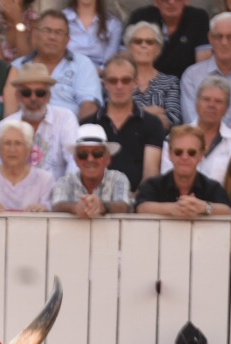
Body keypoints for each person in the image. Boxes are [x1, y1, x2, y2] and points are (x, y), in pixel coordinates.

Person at [14, 9, 102, 121]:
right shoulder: (18, 66)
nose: (52, 37)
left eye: (59, 32)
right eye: (47, 30)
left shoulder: (82, 64)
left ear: (68, 39)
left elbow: (89, 106)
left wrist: (76, 133)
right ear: (36, 34)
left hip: (70, 131)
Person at [97, 54, 165, 187]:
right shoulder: (91, 123)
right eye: (113, 80)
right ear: (104, 83)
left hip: (136, 202)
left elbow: (150, 174)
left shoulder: (152, 124)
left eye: (126, 80)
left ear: (135, 82)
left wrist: (132, 201)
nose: (119, 86)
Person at [0, 63, 76, 178]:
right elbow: (1, 171)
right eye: (27, 93)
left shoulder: (65, 118)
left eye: (40, 93)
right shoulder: (4, 127)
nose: (33, 98)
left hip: (57, 193)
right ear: (18, 96)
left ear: (49, 96)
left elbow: (74, 160)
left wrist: (65, 194)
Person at [137, 122, 231, 214]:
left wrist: (203, 207)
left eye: (191, 153)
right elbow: (141, 207)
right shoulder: (153, 185)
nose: (184, 157)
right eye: (178, 152)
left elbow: (228, 210)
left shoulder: (212, 187)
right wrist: (173, 208)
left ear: (201, 155)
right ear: (170, 155)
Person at [164, 74, 231, 181]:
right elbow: (166, 177)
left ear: (227, 108)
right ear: (196, 104)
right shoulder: (174, 138)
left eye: (218, 101)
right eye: (206, 99)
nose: (211, 105)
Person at [52, 122, 133, 214]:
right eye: (83, 154)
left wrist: (102, 206)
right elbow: (56, 205)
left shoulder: (118, 178)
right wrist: (75, 208)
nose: (90, 159)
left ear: (108, 159)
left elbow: (123, 206)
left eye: (97, 153)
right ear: (76, 160)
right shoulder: (65, 181)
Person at [0, 116, 53, 209]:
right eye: (7, 143)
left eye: (18, 143)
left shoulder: (44, 179)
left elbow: (50, 209)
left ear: (29, 149)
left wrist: (42, 209)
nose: (12, 149)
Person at [123, 0, 212, 78]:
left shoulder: (199, 18)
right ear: (156, 2)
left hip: (186, 84)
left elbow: (202, 65)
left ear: (186, 0)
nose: (171, 2)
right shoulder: (141, 16)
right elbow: (124, 57)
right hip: (147, 82)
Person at [122, 20, 182, 126]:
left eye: (149, 42)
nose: (143, 45)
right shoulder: (119, 80)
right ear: (129, 48)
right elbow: (113, 116)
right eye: (138, 41)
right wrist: (152, 112)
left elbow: (173, 119)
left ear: (158, 49)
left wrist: (131, 114)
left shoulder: (170, 82)